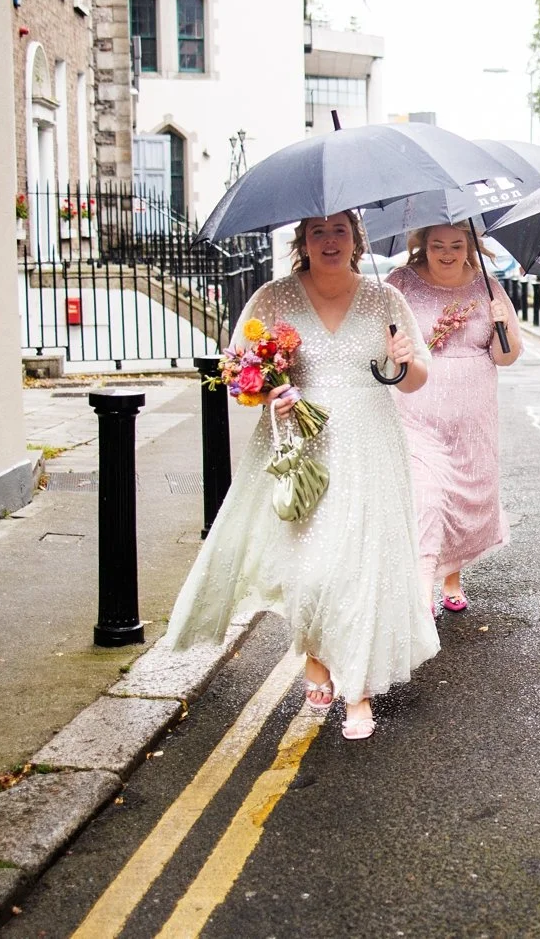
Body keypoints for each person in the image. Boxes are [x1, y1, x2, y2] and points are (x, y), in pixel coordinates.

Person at [162, 211, 437, 741]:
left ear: (355, 241)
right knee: (313, 568)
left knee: (360, 565)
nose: (330, 241)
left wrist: (404, 362)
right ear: (303, 242)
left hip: (370, 443)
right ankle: (315, 652)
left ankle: (357, 690)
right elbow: (237, 372)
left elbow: (415, 380)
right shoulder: (272, 297)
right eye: (319, 233)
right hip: (303, 446)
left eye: (340, 232)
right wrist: (268, 392)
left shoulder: (386, 300)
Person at [387, 222, 522, 617]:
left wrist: (502, 326)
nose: (447, 253)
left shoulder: (488, 286)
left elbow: (507, 356)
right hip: (416, 409)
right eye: (438, 245)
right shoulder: (401, 283)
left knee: (461, 495)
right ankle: (422, 584)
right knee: (427, 495)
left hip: (474, 416)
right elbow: (383, 339)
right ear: (423, 246)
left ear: (470, 246)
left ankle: (452, 577)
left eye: (456, 245)